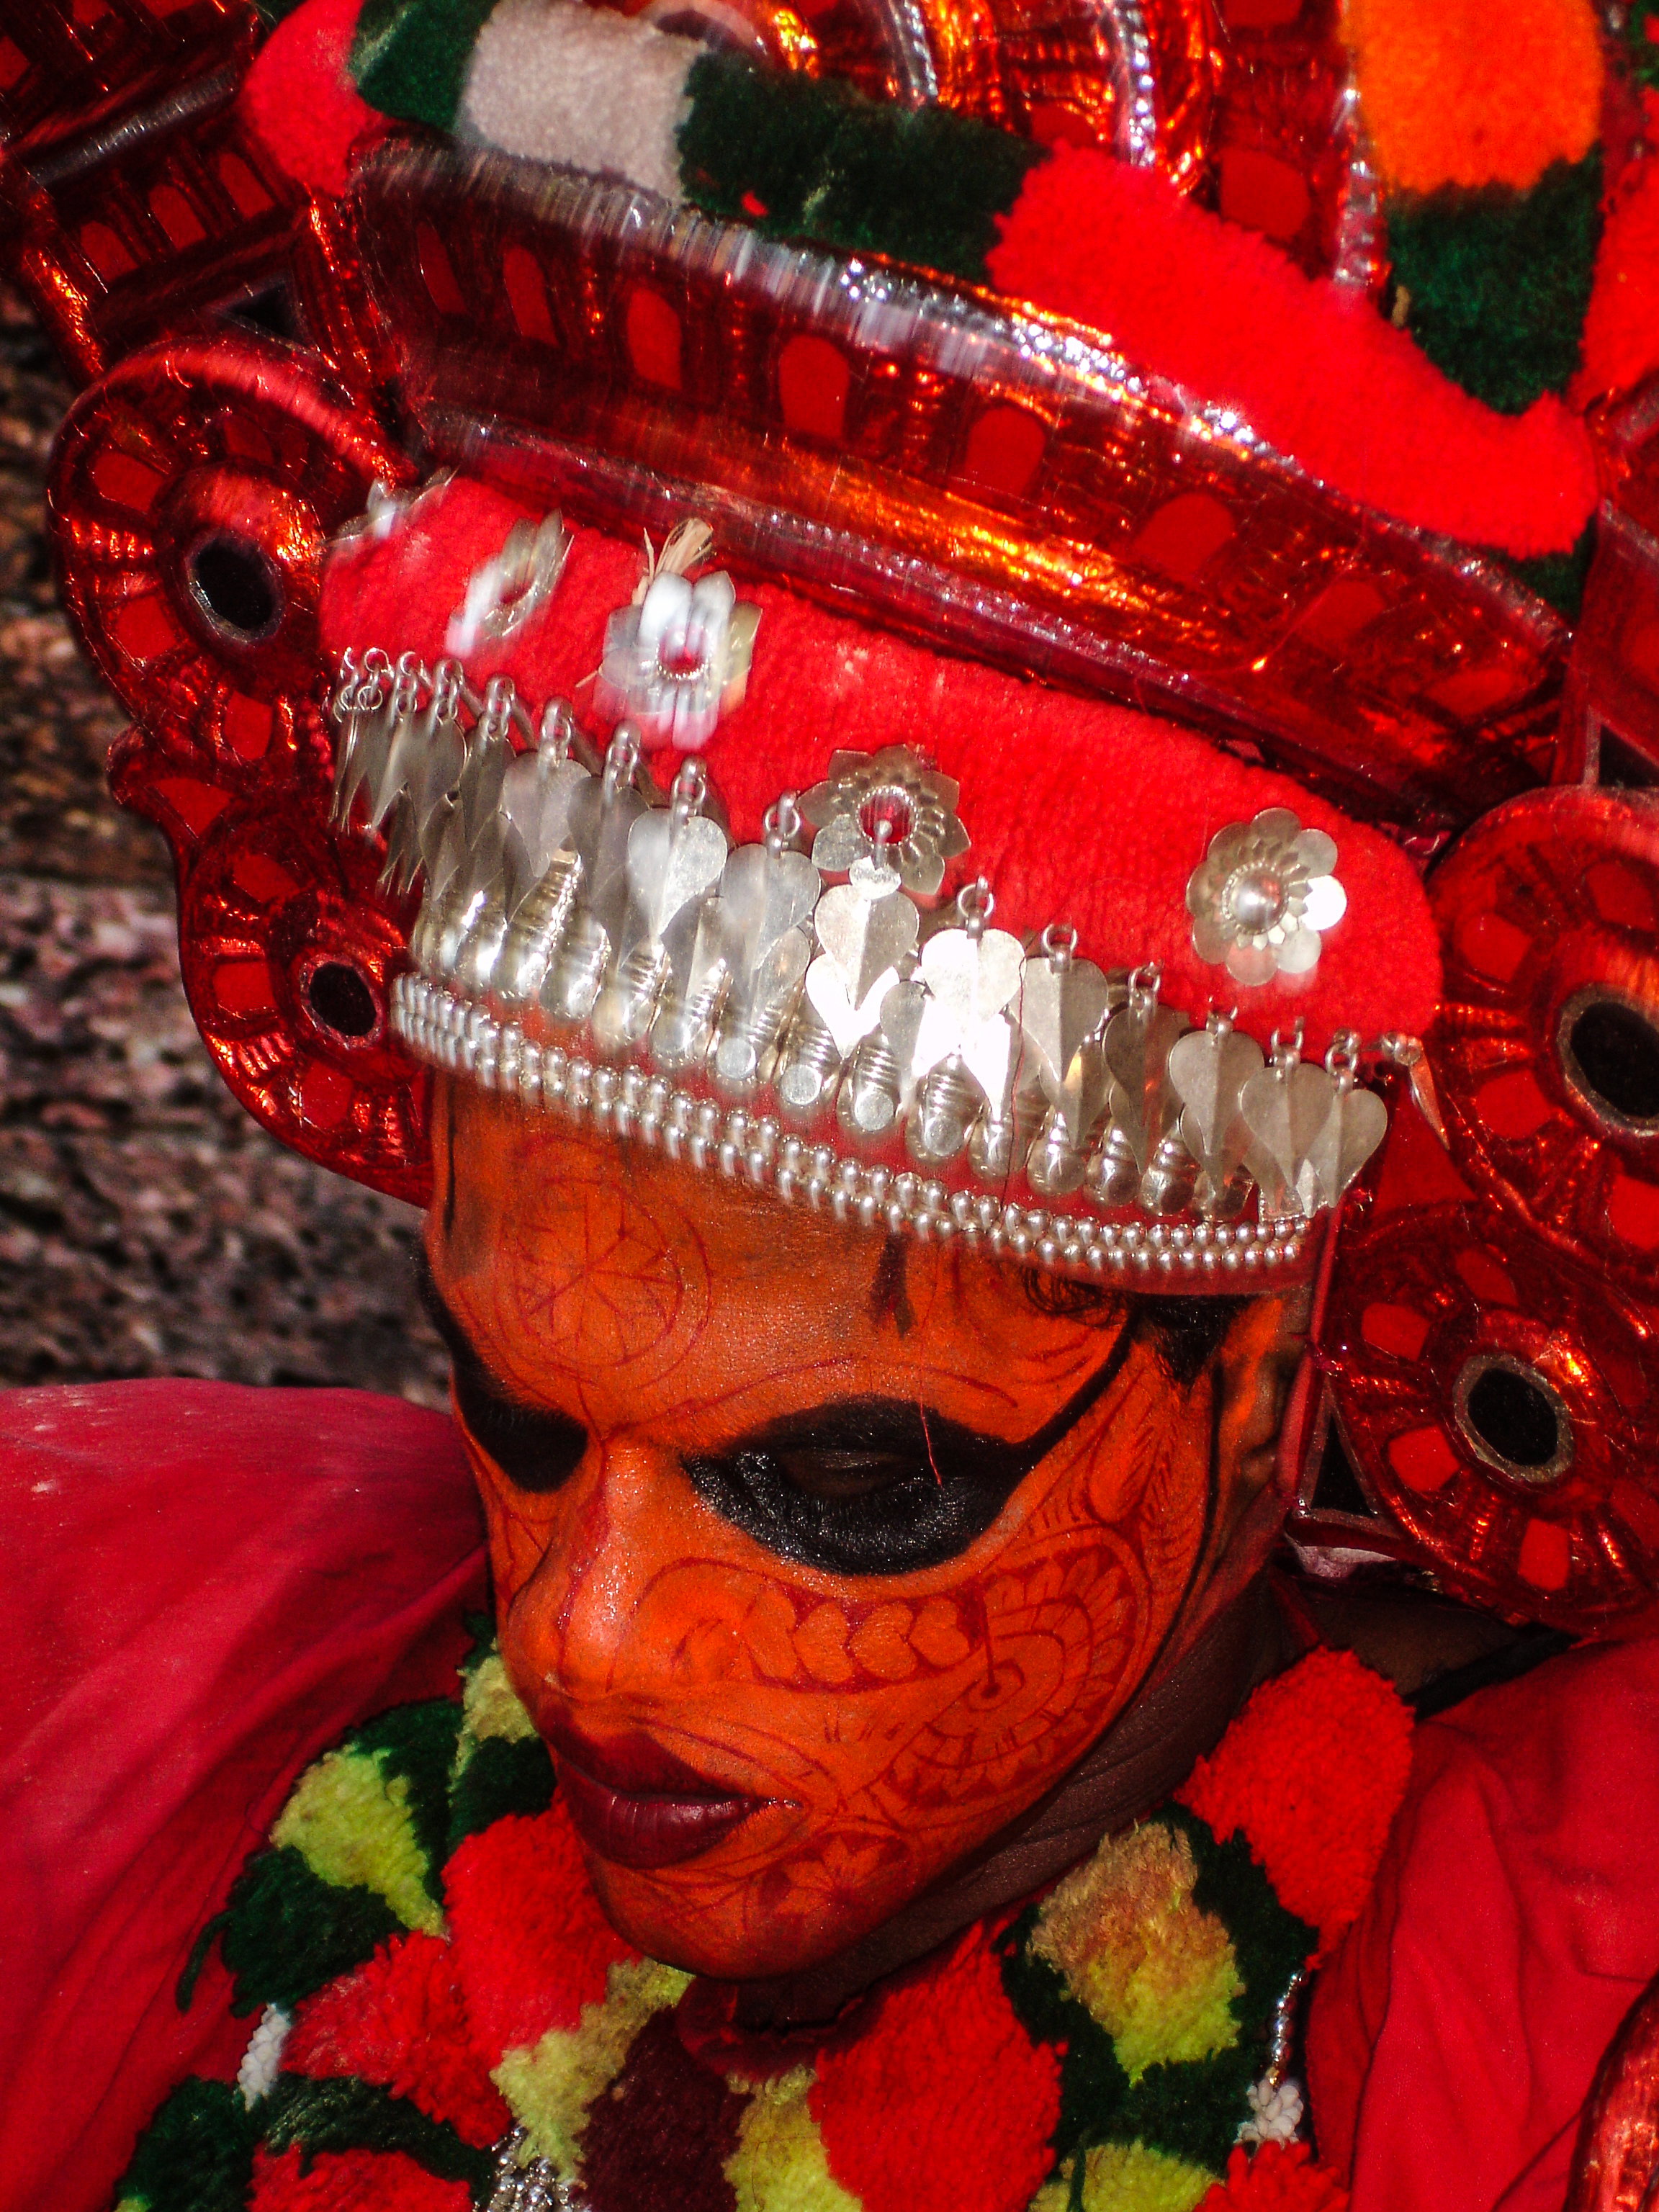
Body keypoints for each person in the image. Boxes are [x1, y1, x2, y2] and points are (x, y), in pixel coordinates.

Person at [4, 0, 1659, 2203]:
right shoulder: (117, 1656)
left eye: (844, 1479)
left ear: (1257, 1395)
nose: (582, 1634)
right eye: (514, 1411)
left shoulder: (1540, 2021)